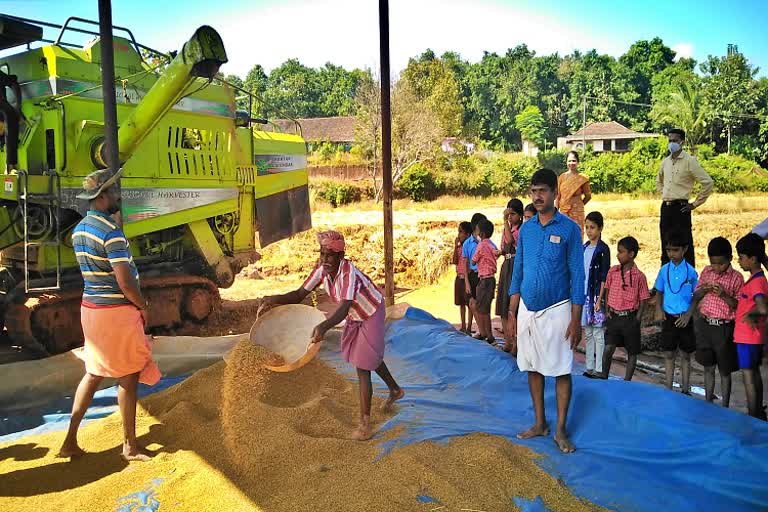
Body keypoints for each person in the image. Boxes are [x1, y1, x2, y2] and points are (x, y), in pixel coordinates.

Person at [262, 230, 404, 440]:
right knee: (367, 356)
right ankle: (395, 389)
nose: (325, 260)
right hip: (356, 314)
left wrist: (323, 327)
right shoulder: (321, 270)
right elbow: (300, 294)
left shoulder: (348, 272)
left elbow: (345, 306)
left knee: (362, 365)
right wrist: (273, 299)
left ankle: (364, 425)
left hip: (371, 311)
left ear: (340, 257)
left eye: (329, 256)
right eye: (322, 254)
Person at [58, 169, 159, 461]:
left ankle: (68, 441)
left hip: (91, 310)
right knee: (128, 377)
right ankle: (130, 446)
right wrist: (143, 306)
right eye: (112, 192)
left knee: (93, 373)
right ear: (102, 196)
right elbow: (126, 282)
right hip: (116, 312)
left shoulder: (80, 230)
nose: (116, 196)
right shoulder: (112, 235)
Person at [506, 168, 584, 454]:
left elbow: (578, 276)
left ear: (555, 193)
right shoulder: (526, 229)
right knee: (533, 367)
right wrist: (512, 313)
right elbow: (518, 271)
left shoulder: (570, 230)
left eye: (543, 191)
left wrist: (577, 320)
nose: (537, 196)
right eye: (533, 191)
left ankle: (560, 429)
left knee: (561, 370)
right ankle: (540, 423)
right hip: (527, 308)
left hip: (559, 309)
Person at [681, 237, 742, 407]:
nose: (717, 268)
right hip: (705, 325)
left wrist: (723, 294)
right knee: (708, 366)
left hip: (724, 328)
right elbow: (696, 295)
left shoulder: (736, 278)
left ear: (730, 259)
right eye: (713, 263)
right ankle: (708, 402)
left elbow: (738, 305)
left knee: (724, 370)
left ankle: (725, 406)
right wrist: (704, 290)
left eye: (720, 264)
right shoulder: (707, 272)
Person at [656, 128, 714, 266]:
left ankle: (689, 280)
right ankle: (665, 281)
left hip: (681, 208)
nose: (671, 144)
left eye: (675, 141)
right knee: (665, 244)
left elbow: (708, 182)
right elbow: (658, 180)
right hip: (666, 208)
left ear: (682, 142)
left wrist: (694, 204)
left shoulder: (689, 161)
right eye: (670, 140)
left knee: (684, 244)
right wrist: (664, 194)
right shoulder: (666, 162)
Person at [598, 236, 650, 381]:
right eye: (618, 251)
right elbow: (607, 289)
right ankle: (604, 376)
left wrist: (638, 318)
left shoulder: (640, 276)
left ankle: (627, 382)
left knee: (632, 351)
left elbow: (644, 298)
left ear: (631, 254)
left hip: (630, 318)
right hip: (613, 316)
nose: (617, 255)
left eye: (621, 252)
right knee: (608, 348)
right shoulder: (613, 271)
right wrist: (607, 309)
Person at [654, 230, 699, 394]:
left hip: (685, 319)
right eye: (668, 250)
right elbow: (659, 291)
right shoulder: (664, 270)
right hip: (669, 318)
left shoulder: (691, 272)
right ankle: (668, 387)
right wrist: (659, 309)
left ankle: (686, 389)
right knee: (668, 354)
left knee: (686, 355)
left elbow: (697, 296)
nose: (671, 254)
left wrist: (688, 315)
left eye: (675, 250)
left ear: (684, 249)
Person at [733, 233, 768, 419]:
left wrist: (751, 313)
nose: (739, 261)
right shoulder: (758, 280)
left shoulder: (757, 283)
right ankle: (758, 412)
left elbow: (762, 308)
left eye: (741, 257)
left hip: (749, 337)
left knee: (748, 376)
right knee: (753, 373)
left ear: (752, 259)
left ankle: (753, 413)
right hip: (750, 337)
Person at [581, 212, 610, 378]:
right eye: (587, 227)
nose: (589, 231)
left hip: (595, 297)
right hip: (585, 296)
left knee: (598, 333)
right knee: (589, 332)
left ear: (600, 228)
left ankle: (599, 369)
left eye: (592, 227)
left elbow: (604, 277)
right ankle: (589, 367)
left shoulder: (602, 250)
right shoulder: (584, 248)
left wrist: (599, 299)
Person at [497, 199, 523, 346]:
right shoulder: (509, 227)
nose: (510, 217)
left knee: (512, 303)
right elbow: (504, 246)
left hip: (514, 265)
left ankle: (515, 343)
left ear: (519, 215)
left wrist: (504, 222)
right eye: (508, 214)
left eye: (512, 214)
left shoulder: (520, 230)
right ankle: (508, 341)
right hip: (506, 264)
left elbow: (509, 240)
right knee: (503, 302)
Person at [472, 218, 498, 344]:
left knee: (481, 308)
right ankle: (488, 334)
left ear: (481, 234)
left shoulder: (481, 245)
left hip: (484, 279)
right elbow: (497, 254)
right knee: (486, 307)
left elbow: (473, 260)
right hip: (491, 279)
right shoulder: (492, 244)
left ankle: (487, 335)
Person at [555, 151, 591, 237]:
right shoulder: (562, 177)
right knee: (563, 236)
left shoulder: (582, 178)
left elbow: (588, 196)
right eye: (569, 161)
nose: (571, 163)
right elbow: (558, 196)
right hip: (563, 211)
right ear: (566, 162)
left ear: (578, 162)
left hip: (577, 212)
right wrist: (555, 211)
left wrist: (578, 205)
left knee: (576, 235)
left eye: (574, 161)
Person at [463, 213, 487, 335]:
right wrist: (466, 282)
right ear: (475, 226)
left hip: (483, 276)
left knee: (482, 306)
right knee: (472, 304)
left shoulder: (486, 242)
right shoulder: (467, 244)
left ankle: (484, 332)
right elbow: (465, 264)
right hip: (472, 275)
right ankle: (482, 331)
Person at [453, 221, 473, 334]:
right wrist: (455, 247)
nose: (459, 235)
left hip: (467, 278)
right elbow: (454, 261)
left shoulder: (470, 247)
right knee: (461, 303)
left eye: (461, 232)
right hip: (458, 277)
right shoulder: (459, 247)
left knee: (469, 303)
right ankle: (463, 325)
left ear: (468, 234)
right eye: (458, 232)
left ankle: (469, 326)